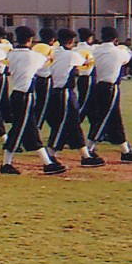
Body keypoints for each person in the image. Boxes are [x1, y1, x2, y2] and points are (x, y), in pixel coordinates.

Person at [0, 25, 61, 175]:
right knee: (19, 129)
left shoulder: (11, 54)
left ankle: (47, 163)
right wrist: (49, 58)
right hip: (25, 95)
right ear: (30, 40)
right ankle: (6, 163)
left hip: (16, 93)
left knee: (31, 130)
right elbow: (44, 70)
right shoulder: (35, 56)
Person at [46, 28, 98, 168]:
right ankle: (50, 154)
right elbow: (85, 62)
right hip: (65, 92)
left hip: (55, 90)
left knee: (73, 124)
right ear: (70, 41)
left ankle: (85, 156)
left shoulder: (54, 51)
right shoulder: (71, 55)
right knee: (62, 124)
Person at [86, 27, 132, 162]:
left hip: (98, 86)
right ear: (115, 39)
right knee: (104, 119)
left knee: (114, 119)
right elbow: (128, 57)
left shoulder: (96, 50)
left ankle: (126, 151)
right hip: (110, 87)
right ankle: (89, 149)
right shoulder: (118, 52)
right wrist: (123, 47)